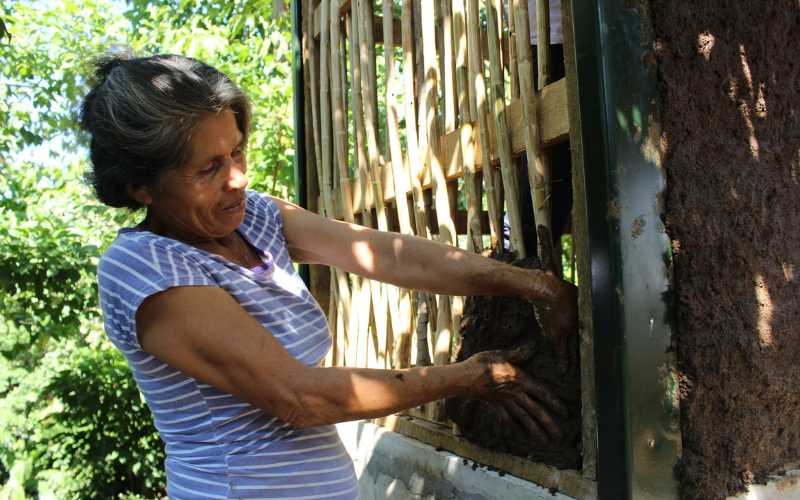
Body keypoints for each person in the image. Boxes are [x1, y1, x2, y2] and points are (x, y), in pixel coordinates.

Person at [81, 53, 578, 500]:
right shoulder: (143, 266)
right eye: (208, 168)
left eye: (236, 152)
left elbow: (387, 255)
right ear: (142, 187)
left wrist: (528, 284)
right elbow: (300, 398)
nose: (237, 177)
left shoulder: (252, 217)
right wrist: (469, 377)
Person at [504, 0, 573, 264]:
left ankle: (521, 265)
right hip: (548, 41)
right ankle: (520, 266)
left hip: (553, 37)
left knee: (552, 178)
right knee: (547, 178)